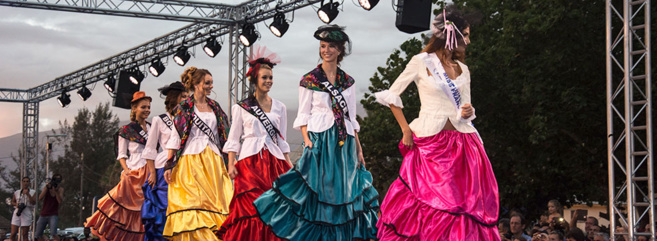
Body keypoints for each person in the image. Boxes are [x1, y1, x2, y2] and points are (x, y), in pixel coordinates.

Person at [374, 6, 499, 240]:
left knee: (463, 206)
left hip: (464, 145)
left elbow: (466, 111)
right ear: (453, 35)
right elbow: (392, 95)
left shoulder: (464, 69)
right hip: (431, 142)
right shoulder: (421, 61)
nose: (469, 42)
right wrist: (405, 130)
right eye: (467, 35)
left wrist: (469, 111)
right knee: (431, 203)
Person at [253, 25, 380, 240]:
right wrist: (307, 141)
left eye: (331, 46)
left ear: (340, 50)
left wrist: (359, 149)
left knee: (345, 190)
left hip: (344, 142)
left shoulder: (348, 81)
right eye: (323, 46)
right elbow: (303, 115)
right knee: (319, 190)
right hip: (320, 138)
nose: (326, 50)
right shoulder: (309, 80)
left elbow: (351, 117)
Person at [215, 46, 293, 241]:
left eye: (271, 78)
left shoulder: (280, 107)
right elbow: (233, 138)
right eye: (264, 77)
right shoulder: (241, 107)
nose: (268, 81)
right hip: (249, 163)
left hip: (274, 163)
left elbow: (282, 140)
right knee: (250, 207)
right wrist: (231, 162)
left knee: (274, 207)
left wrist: (289, 164)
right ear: (255, 80)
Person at [163, 67, 233, 240]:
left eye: (211, 83)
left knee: (216, 203)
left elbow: (225, 135)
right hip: (190, 160)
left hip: (214, 161)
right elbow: (175, 137)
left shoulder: (215, 107)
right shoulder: (184, 108)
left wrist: (231, 161)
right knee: (194, 203)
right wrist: (169, 164)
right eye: (207, 82)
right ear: (196, 84)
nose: (211, 86)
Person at [85, 91, 152, 240]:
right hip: (134, 172)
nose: (147, 110)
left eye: (148, 107)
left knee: (146, 211)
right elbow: (121, 155)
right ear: (134, 108)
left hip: (150, 171)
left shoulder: (153, 127)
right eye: (143, 107)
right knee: (126, 211)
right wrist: (127, 171)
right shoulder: (126, 130)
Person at [141, 82, 189, 241]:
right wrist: (152, 173)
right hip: (164, 169)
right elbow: (150, 149)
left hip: (186, 167)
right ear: (174, 98)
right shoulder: (159, 120)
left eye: (188, 96)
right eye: (183, 96)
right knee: (165, 211)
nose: (187, 99)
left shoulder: (190, 118)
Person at [35, 174, 64, 241]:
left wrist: (56, 192)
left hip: (53, 214)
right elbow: (40, 198)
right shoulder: (47, 187)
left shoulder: (60, 189)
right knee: (38, 234)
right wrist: (47, 188)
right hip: (44, 213)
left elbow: (60, 201)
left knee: (53, 233)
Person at [10, 177, 36, 241]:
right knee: (13, 233)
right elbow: (12, 202)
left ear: (29, 183)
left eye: (27, 181)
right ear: (22, 183)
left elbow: (33, 202)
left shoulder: (33, 192)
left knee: (24, 234)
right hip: (18, 211)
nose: (25, 183)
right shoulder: (17, 192)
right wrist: (16, 204)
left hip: (27, 211)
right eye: (24, 181)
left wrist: (28, 194)